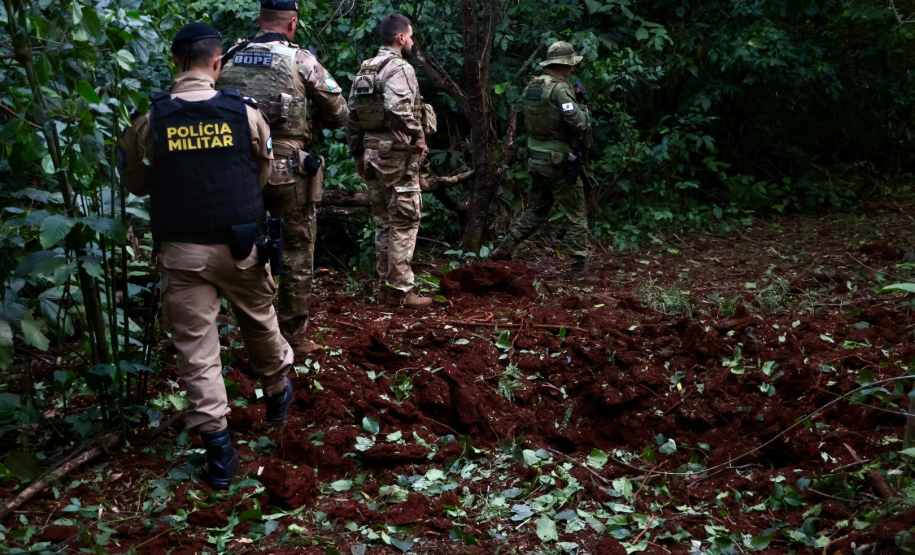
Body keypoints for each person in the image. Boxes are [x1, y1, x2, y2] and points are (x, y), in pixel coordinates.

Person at [118, 22, 295, 490]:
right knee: (260, 320)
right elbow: (261, 174)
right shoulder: (245, 112)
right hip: (242, 246)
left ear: (175, 61)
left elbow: (134, 182)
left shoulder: (151, 119)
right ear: (217, 63)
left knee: (197, 351)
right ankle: (277, 397)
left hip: (182, 252)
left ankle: (219, 453)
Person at [218, 0, 349, 356]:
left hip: (238, 170)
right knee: (295, 248)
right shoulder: (300, 60)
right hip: (285, 170)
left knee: (242, 249)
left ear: (259, 20)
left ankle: (248, 333)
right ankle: (293, 335)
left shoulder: (229, 56)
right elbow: (340, 113)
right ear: (291, 24)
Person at [345, 13, 436, 308]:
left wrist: (358, 154)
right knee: (405, 221)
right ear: (401, 38)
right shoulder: (399, 68)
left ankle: (386, 289)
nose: (411, 41)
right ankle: (400, 291)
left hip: (372, 155)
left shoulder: (366, 69)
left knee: (384, 222)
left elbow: (352, 116)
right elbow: (397, 107)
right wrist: (418, 135)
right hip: (397, 155)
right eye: (410, 36)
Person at [490, 41, 592, 271]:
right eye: (570, 65)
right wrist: (584, 111)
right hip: (558, 161)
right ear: (562, 65)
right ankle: (579, 265)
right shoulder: (561, 88)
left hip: (536, 158)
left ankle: (503, 249)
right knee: (576, 213)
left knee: (538, 209)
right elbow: (577, 123)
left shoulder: (532, 86)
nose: (573, 70)